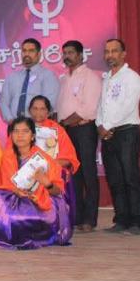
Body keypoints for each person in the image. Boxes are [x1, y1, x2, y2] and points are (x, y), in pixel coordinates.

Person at [0, 117, 72, 250]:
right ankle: (9, 232)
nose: (20, 135)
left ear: (32, 136)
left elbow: (58, 191)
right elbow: (5, 184)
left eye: (25, 131)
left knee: (22, 216)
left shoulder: (45, 159)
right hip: (16, 197)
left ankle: (28, 231)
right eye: (16, 131)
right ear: (11, 135)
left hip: (40, 202)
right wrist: (16, 191)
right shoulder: (7, 157)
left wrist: (47, 183)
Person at [96, 38, 140, 235]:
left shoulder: (132, 78)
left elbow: (127, 106)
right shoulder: (107, 78)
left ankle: (137, 222)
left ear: (123, 54)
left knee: (130, 177)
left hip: (126, 133)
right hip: (108, 134)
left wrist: (107, 126)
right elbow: (101, 106)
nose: (110, 55)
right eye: (107, 51)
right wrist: (99, 125)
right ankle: (121, 220)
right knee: (115, 179)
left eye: (114, 51)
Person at [58, 40, 102, 232]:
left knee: (88, 173)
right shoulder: (64, 79)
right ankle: (77, 217)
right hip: (67, 132)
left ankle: (90, 219)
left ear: (80, 55)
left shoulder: (90, 77)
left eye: (71, 52)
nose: (67, 56)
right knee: (73, 174)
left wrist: (64, 123)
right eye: (65, 53)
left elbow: (89, 109)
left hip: (84, 130)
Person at [28, 95, 80, 228]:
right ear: (29, 110)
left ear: (48, 112)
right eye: (35, 109)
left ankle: (55, 219)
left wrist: (47, 165)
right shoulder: (22, 128)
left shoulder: (57, 130)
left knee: (57, 174)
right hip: (27, 171)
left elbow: (69, 160)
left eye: (42, 109)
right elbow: (12, 155)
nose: (38, 112)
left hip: (52, 170)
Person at [0, 38, 60, 122]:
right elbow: (4, 102)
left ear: (39, 54)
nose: (27, 54)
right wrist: (10, 120)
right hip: (14, 125)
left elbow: (50, 103)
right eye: (24, 51)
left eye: (31, 51)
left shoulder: (48, 75)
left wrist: (35, 122)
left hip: (38, 124)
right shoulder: (12, 77)